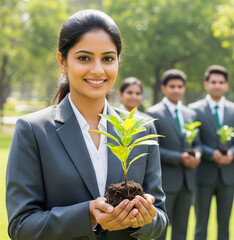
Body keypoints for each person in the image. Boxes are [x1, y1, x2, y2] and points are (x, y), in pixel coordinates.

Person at [5, 10, 168, 240]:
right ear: (62, 61)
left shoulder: (141, 128)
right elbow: (21, 226)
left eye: (108, 58)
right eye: (84, 58)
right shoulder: (33, 130)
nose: (98, 70)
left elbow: (160, 218)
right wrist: (88, 214)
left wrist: (142, 220)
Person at [189, 65, 234, 240]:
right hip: (203, 175)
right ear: (206, 84)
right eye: (213, 82)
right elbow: (193, 142)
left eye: (221, 82)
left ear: (226, 85)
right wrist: (211, 153)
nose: (217, 85)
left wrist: (232, 153)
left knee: (224, 225)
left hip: (228, 176)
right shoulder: (193, 110)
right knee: (201, 224)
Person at [146, 69, 201, 240]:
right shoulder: (153, 113)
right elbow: (153, 148)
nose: (176, 90)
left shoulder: (191, 114)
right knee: (161, 231)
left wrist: (197, 154)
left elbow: (197, 143)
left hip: (187, 182)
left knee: (182, 230)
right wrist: (179, 158)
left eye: (180, 86)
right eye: (172, 86)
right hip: (165, 183)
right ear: (164, 88)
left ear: (184, 89)